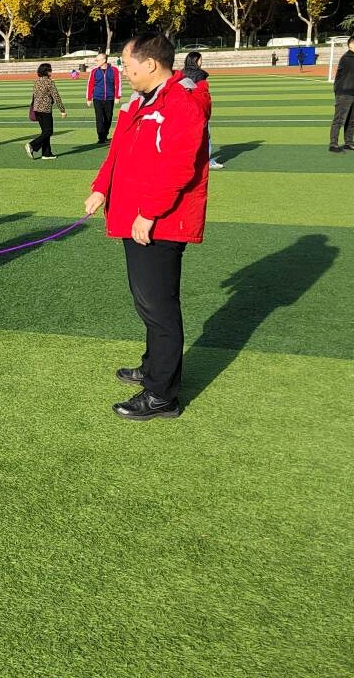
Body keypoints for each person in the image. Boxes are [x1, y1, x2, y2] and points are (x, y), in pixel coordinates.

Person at [85, 32, 209, 420]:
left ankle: (161, 396)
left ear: (150, 64)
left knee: (159, 307)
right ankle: (153, 367)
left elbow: (179, 165)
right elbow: (118, 151)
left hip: (160, 222)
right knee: (147, 303)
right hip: (134, 215)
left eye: (127, 65)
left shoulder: (181, 104)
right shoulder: (140, 101)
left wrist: (150, 212)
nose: (124, 71)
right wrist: (101, 188)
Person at [183, 51, 222, 169]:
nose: (201, 61)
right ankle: (207, 161)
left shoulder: (181, 73)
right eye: (200, 59)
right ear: (196, 60)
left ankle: (189, 160)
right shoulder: (201, 74)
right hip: (198, 109)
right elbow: (203, 95)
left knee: (187, 137)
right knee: (205, 136)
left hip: (185, 109)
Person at [24, 63, 67, 159]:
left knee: (45, 132)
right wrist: (62, 110)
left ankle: (46, 153)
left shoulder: (37, 81)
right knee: (48, 131)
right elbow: (56, 96)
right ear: (46, 71)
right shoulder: (49, 82)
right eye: (50, 70)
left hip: (37, 109)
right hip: (45, 110)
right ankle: (32, 145)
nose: (51, 71)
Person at [84, 52, 122, 145]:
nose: (96, 61)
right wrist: (89, 98)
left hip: (109, 98)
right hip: (97, 98)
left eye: (97, 60)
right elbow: (90, 84)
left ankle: (105, 135)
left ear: (104, 60)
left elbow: (118, 83)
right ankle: (101, 137)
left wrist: (117, 96)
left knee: (108, 118)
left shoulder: (114, 70)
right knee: (99, 118)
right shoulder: (94, 71)